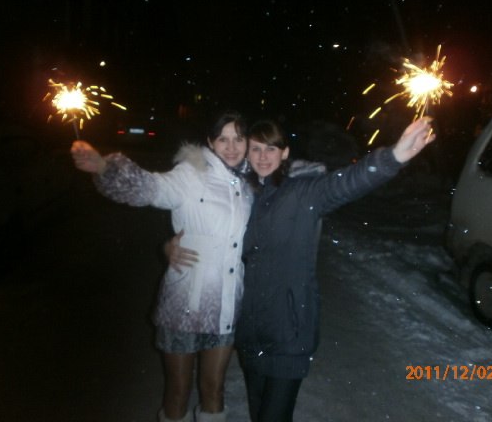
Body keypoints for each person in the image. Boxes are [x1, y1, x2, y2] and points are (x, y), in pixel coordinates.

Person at [170, 116, 435, 421]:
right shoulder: (243, 199)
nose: (263, 156)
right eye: (256, 149)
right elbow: (215, 239)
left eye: (271, 149)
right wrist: (173, 246)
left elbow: (347, 182)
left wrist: (394, 157)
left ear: (285, 153)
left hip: (289, 333)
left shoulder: (303, 191)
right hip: (251, 333)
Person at [71, 111, 251, 422]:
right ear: (210, 142)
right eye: (223, 139)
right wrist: (104, 167)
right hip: (183, 303)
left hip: (225, 305)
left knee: (214, 390)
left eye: (239, 139)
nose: (232, 147)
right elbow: (152, 188)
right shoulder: (191, 175)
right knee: (178, 391)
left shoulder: (249, 186)